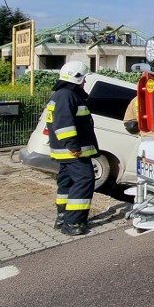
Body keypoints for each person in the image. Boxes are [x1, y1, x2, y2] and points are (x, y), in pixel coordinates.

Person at [47, 61, 99, 236]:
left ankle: (63, 217)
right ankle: (73, 222)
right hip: (73, 151)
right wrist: (73, 146)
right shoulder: (66, 96)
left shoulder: (62, 95)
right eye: (84, 79)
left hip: (66, 151)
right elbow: (63, 125)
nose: (85, 82)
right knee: (84, 180)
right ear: (77, 78)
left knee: (67, 182)